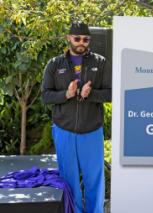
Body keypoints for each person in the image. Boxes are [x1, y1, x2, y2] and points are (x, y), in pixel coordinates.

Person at [41, 22, 111, 213]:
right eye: (77, 38)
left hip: (92, 130)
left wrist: (92, 94)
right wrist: (67, 94)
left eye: (86, 39)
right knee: (69, 180)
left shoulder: (101, 62)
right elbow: (45, 96)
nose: (82, 42)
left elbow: (111, 93)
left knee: (94, 179)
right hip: (64, 130)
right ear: (68, 38)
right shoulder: (55, 65)